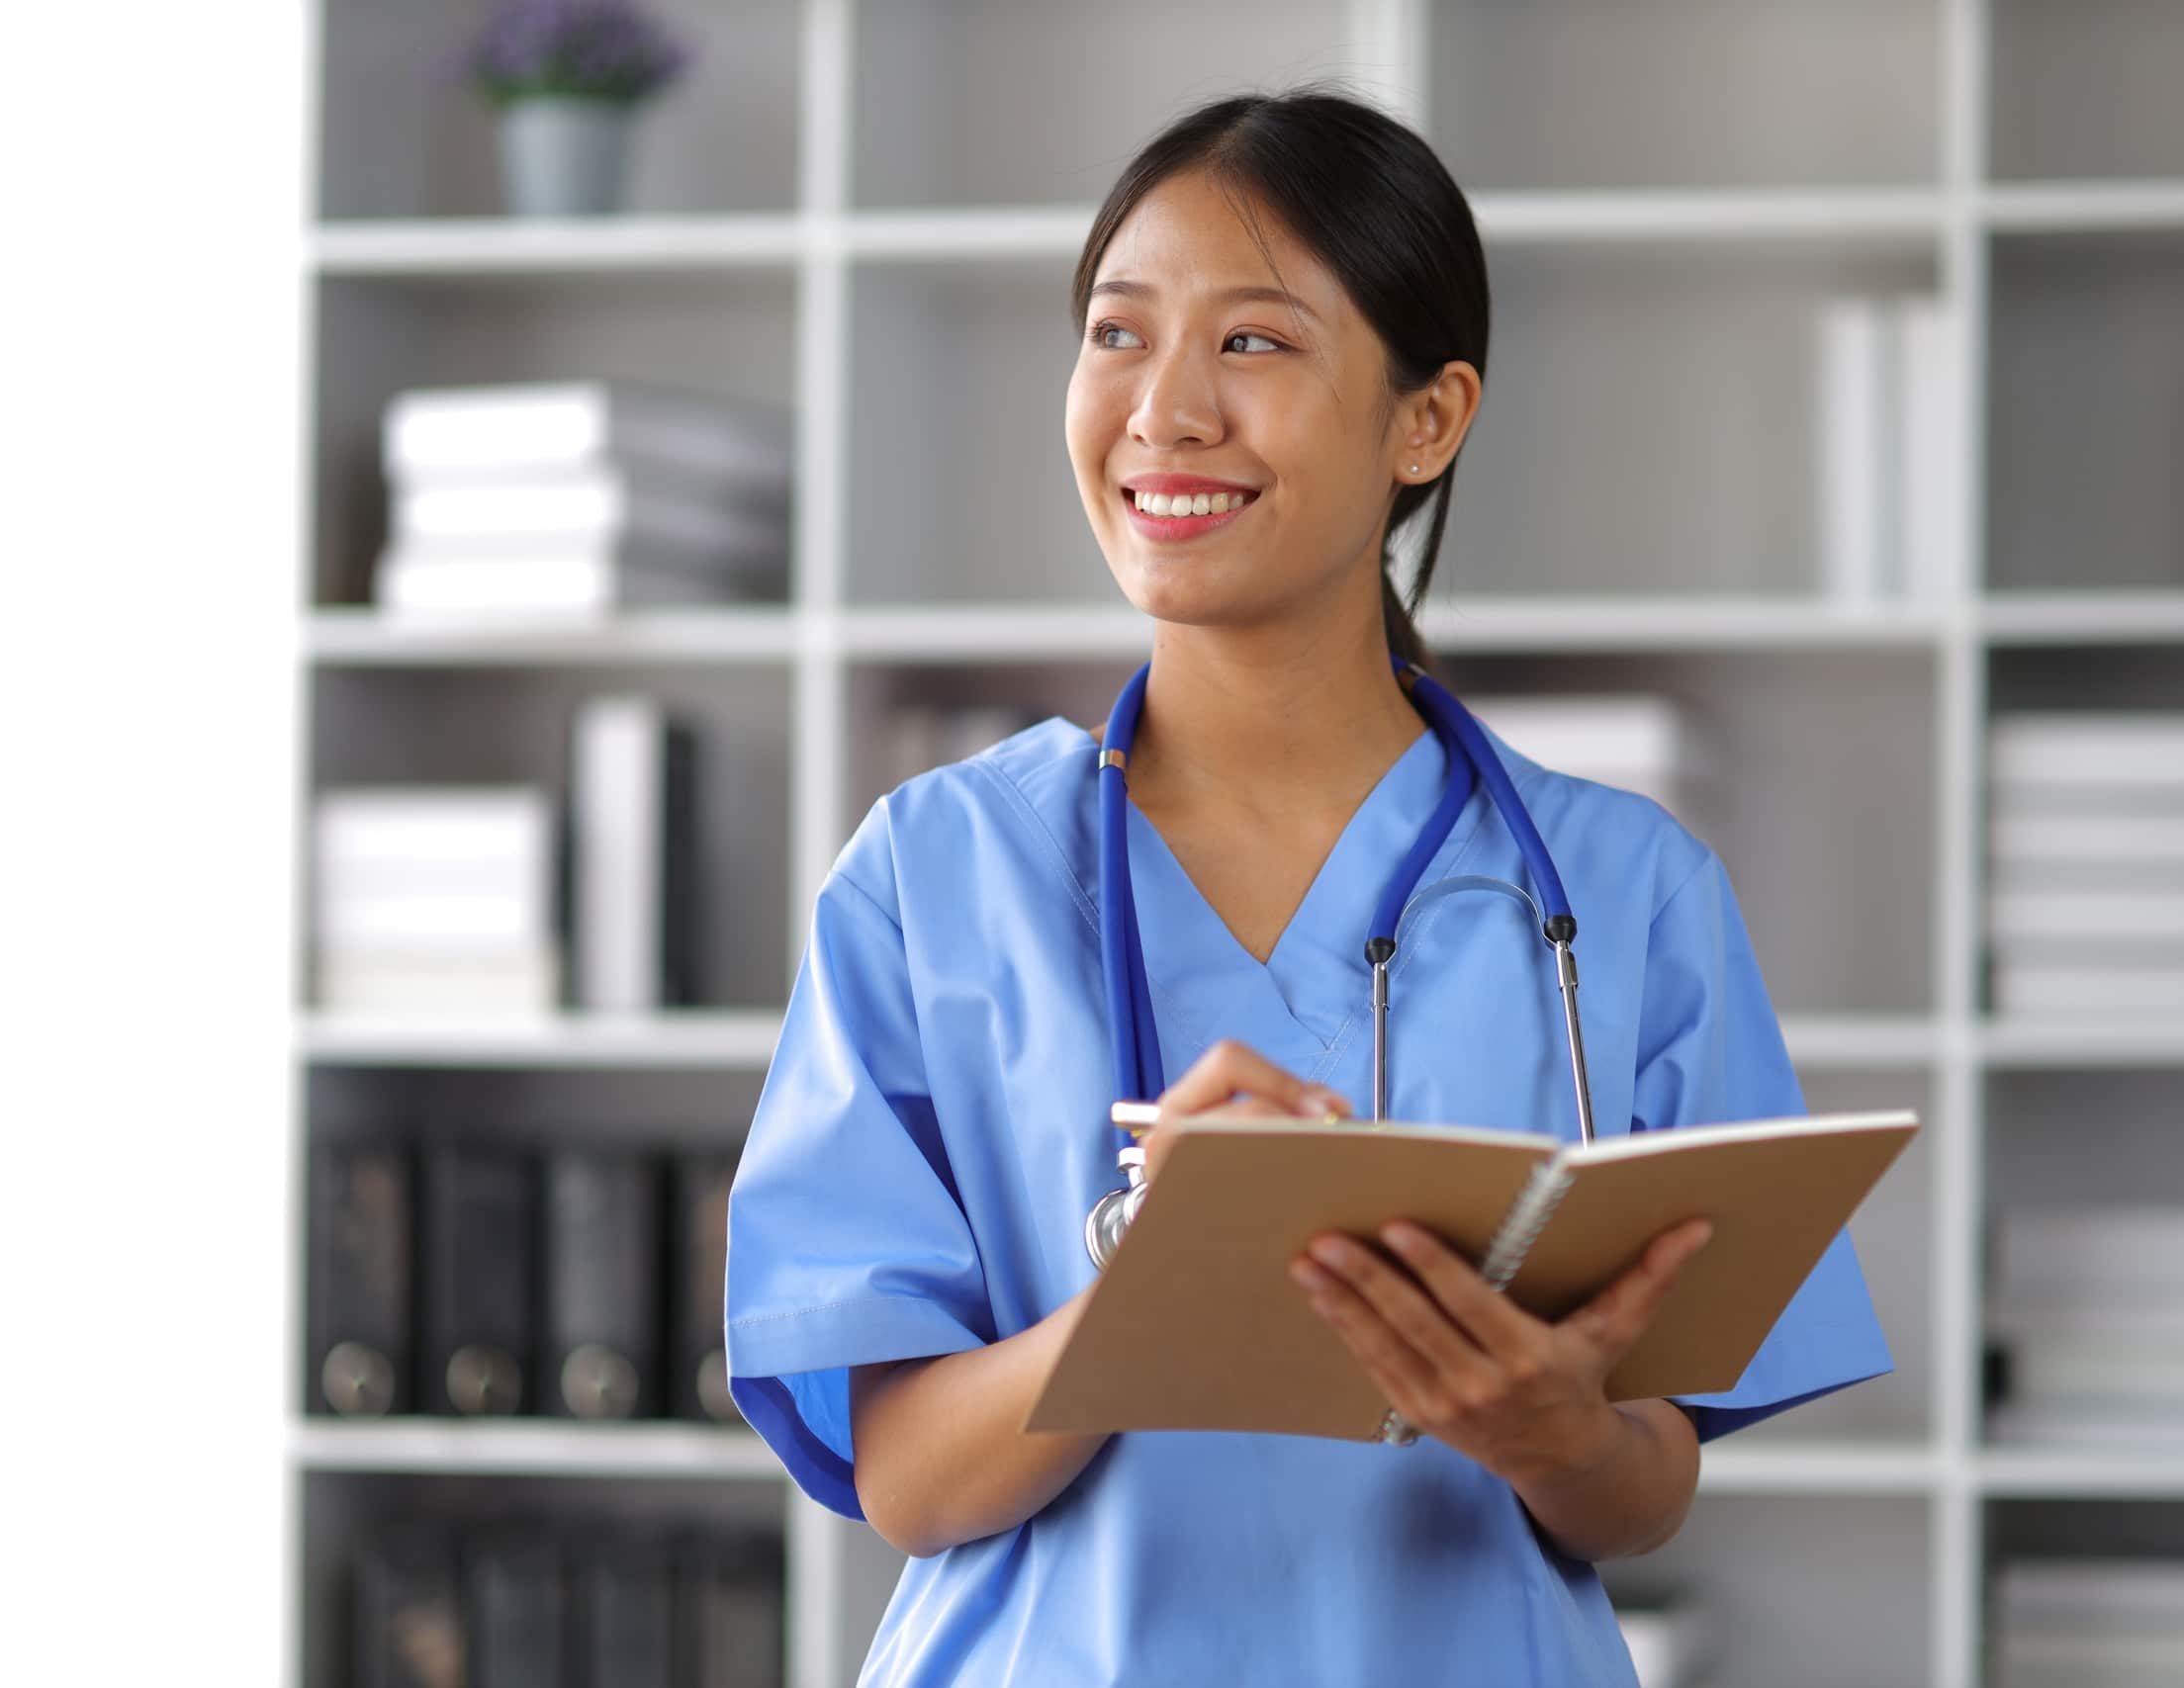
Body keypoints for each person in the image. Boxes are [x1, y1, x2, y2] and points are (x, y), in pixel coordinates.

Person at [723, 83, 1892, 1685]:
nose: (1165, 412)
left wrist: (1555, 1432)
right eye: (1118, 334)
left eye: (1254, 344)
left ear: (1428, 417)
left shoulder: (1624, 894)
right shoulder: (933, 872)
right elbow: (911, 1484)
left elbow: (1646, 1484)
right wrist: (1154, 1277)